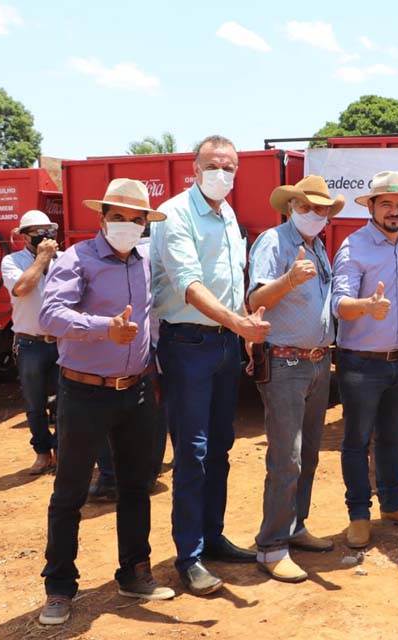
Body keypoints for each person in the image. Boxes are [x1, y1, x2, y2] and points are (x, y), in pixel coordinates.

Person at [36, 179, 174, 625]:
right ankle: (59, 587)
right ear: (102, 219)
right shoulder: (77, 259)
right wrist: (103, 327)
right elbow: (50, 315)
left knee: (137, 486)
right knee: (70, 493)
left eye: (137, 220)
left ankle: (134, 571)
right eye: (119, 217)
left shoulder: (144, 263)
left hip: (134, 391)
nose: (128, 226)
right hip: (83, 391)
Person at [150, 135, 270, 596]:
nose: (222, 173)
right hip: (188, 345)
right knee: (192, 452)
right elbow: (189, 286)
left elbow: (231, 281)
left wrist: (243, 332)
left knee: (220, 444)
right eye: (213, 165)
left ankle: (213, 537)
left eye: (230, 167)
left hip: (222, 346)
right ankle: (190, 555)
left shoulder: (229, 215)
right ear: (195, 169)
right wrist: (239, 324)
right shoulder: (178, 214)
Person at [247, 176, 345, 582]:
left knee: (307, 456)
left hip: (318, 363)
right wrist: (288, 279)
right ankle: (271, 547)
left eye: (321, 209)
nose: (315, 215)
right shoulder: (273, 242)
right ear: (290, 207)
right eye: (307, 207)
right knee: (286, 457)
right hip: (285, 363)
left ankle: (295, 526)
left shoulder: (320, 247)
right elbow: (254, 300)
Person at [332, 171, 398, 548]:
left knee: (391, 437)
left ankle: (392, 504)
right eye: (386, 203)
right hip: (361, 364)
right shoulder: (354, 246)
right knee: (357, 441)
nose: (395, 210)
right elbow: (339, 304)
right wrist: (366, 307)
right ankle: (359, 514)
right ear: (371, 206)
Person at [1, 210, 61, 474]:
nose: (46, 237)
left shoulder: (65, 260)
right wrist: (42, 258)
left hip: (62, 342)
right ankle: (42, 453)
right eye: (38, 232)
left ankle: (61, 452)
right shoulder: (12, 261)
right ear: (25, 237)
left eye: (49, 231)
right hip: (30, 344)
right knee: (35, 404)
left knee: (65, 402)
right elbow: (22, 289)